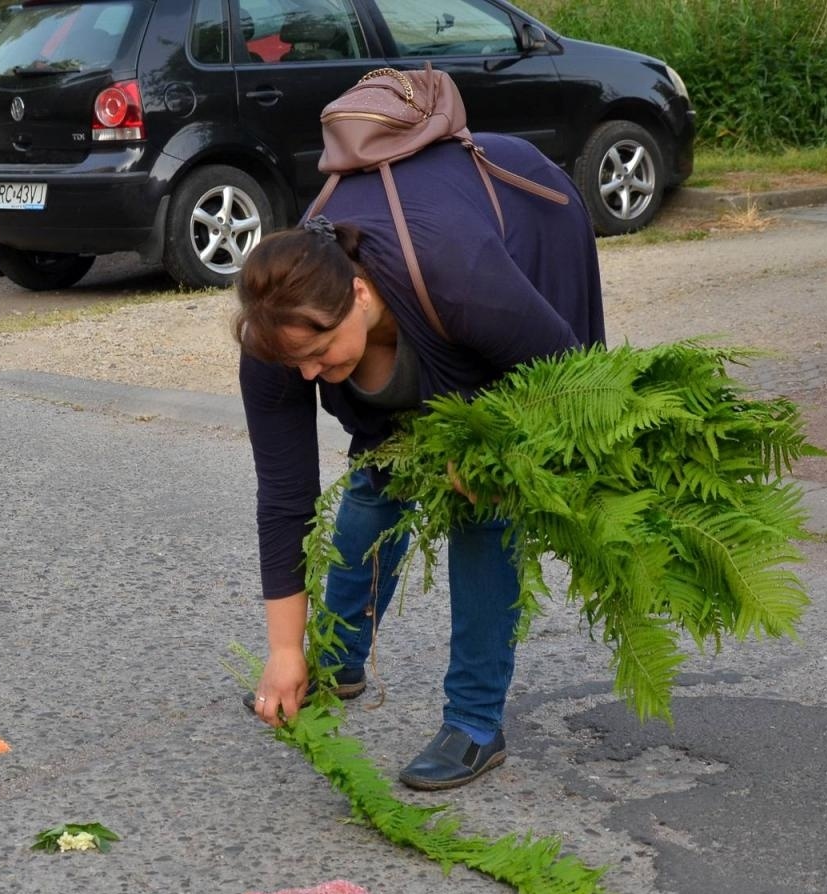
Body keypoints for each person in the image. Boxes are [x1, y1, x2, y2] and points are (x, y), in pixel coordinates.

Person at [235, 130, 605, 790]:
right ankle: (336, 658)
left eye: (320, 354)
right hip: (426, 287)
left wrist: (491, 444)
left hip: (529, 227)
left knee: (480, 505)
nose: (313, 374)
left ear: (358, 294)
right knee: (379, 479)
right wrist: (285, 649)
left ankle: (474, 724)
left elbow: (565, 375)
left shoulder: (458, 278)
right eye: (299, 365)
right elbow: (286, 499)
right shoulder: (278, 337)